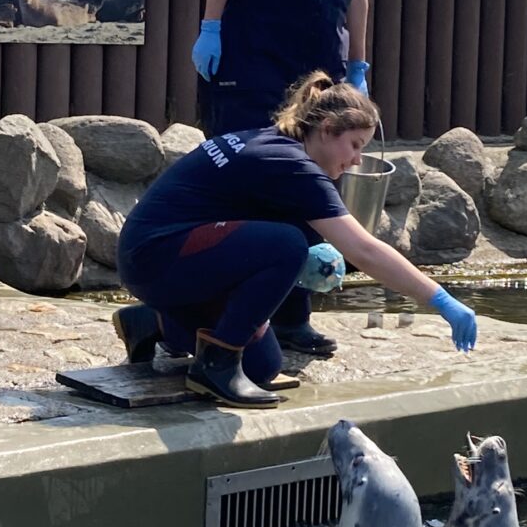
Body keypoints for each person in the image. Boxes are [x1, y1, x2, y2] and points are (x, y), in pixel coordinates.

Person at [191, 0, 407, 357]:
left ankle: (291, 315)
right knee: (244, 186)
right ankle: (209, 314)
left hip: (320, 71)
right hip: (250, 56)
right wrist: (211, 27)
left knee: (311, 186)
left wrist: (358, 64)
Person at [114, 73, 477, 411]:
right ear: (327, 129)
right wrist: (439, 299)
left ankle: (153, 322)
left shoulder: (278, 142)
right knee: (286, 245)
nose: (356, 160)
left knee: (262, 365)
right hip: (154, 256)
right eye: (354, 145)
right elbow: (363, 249)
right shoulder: (291, 164)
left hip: (158, 256)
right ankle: (214, 368)